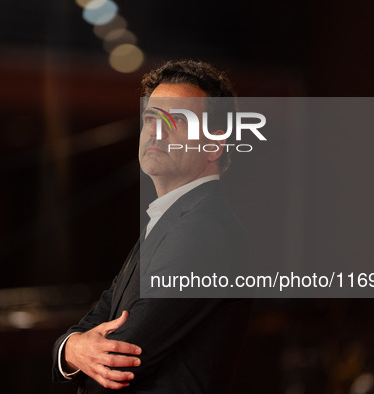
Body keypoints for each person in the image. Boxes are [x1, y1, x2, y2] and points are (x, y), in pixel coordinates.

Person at [52, 60, 250, 393]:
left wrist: (76, 350)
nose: (158, 130)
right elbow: (96, 318)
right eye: (151, 118)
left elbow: (118, 362)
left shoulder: (204, 230)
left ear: (214, 146)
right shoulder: (172, 220)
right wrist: (71, 348)